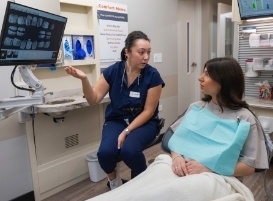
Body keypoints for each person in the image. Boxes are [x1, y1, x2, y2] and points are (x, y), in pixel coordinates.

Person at [86, 57, 269, 201]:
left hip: (214, 176)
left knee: (167, 192)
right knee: (142, 186)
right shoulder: (197, 108)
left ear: (225, 81)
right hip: (177, 166)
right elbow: (175, 141)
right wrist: (177, 157)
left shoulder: (245, 118)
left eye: (207, 74)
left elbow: (249, 167)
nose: (200, 77)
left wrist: (209, 168)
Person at [65, 31, 165, 190]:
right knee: (104, 154)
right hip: (117, 120)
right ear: (127, 52)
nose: (146, 57)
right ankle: (114, 182)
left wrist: (126, 131)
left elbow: (148, 112)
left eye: (148, 52)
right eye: (141, 52)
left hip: (145, 123)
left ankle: (143, 183)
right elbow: (93, 99)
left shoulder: (153, 76)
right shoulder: (113, 71)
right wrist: (84, 80)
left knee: (130, 151)